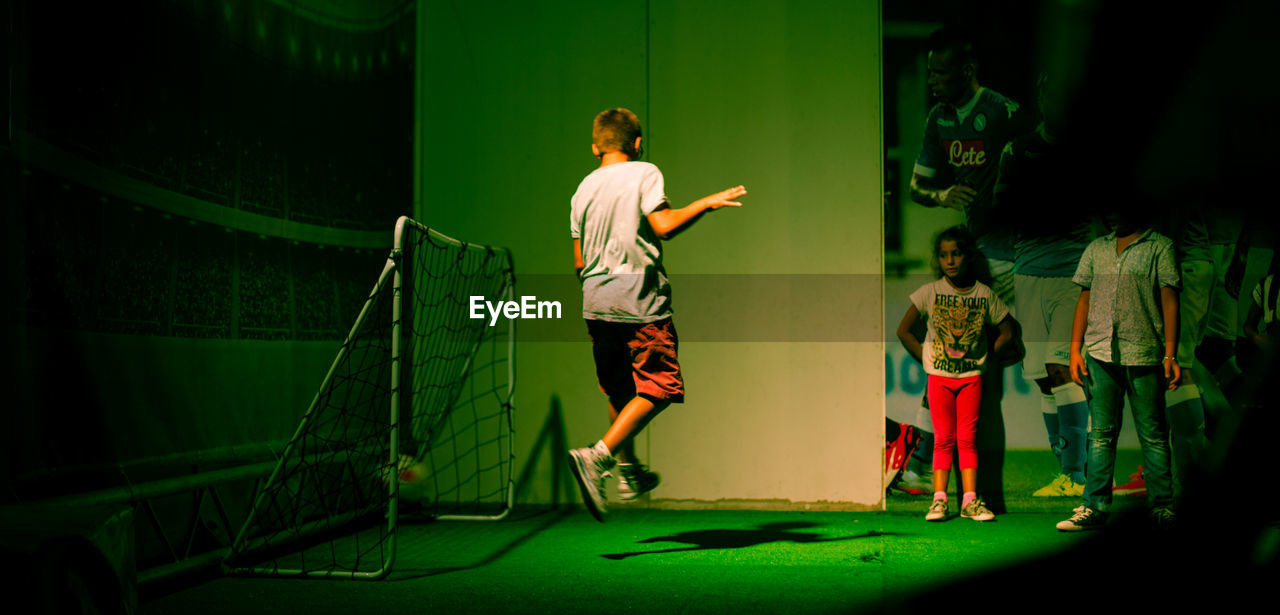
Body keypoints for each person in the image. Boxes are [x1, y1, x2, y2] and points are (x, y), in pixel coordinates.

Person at [566, 107, 747, 522]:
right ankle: (598, 457)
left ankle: (628, 470)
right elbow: (663, 225)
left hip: (596, 303)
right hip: (640, 302)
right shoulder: (644, 172)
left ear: (595, 146)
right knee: (661, 385)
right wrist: (707, 203)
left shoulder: (581, 190)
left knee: (620, 392)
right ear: (638, 143)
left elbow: (578, 263)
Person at [994, 71, 1096, 498]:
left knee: (1064, 369)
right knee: (1041, 377)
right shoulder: (1018, 152)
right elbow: (1000, 209)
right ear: (1041, 98)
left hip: (1071, 274)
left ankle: (1077, 475)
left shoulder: (1088, 152)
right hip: (1028, 273)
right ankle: (1066, 472)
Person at [1057, 210, 1181, 532]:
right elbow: (1084, 299)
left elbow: (1169, 299)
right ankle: (1094, 507)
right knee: (1100, 435)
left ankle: (1162, 507)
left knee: (1153, 436)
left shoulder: (1160, 247)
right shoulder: (1096, 248)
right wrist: (1074, 349)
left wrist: (1170, 353)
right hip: (1100, 353)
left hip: (1144, 353)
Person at [897, 225, 1015, 522]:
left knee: (968, 439)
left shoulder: (984, 294)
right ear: (938, 259)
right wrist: (926, 357)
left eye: (957, 254)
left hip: (971, 379)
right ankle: (939, 501)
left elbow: (1008, 331)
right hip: (939, 379)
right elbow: (904, 331)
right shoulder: (930, 292)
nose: (950, 261)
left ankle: (970, 501)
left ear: (968, 256)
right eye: (944, 255)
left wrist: (986, 358)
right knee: (943, 439)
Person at [909, 26, 1031, 307]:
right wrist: (942, 195)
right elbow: (915, 187)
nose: (931, 81)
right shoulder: (938, 119)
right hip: (982, 252)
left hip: (1023, 255)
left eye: (939, 72)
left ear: (967, 71)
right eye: (930, 72)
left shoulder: (1003, 112)